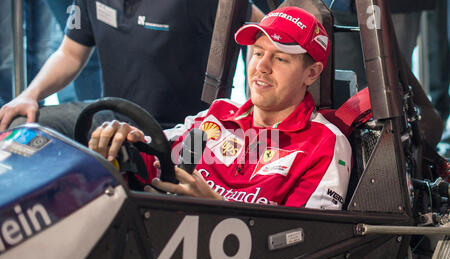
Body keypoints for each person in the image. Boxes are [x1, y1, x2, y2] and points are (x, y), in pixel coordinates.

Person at [88, 6, 352, 209]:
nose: (261, 67)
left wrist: (218, 210)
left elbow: (307, 242)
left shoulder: (325, 143)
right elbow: (157, 155)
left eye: (280, 58)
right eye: (258, 53)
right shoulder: (217, 116)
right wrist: (124, 142)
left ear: (312, 73)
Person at [0, 0, 264, 135]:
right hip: (110, 118)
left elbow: (259, 25)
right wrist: (30, 95)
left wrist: (255, 103)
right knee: (19, 124)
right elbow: (70, 52)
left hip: (181, 133)